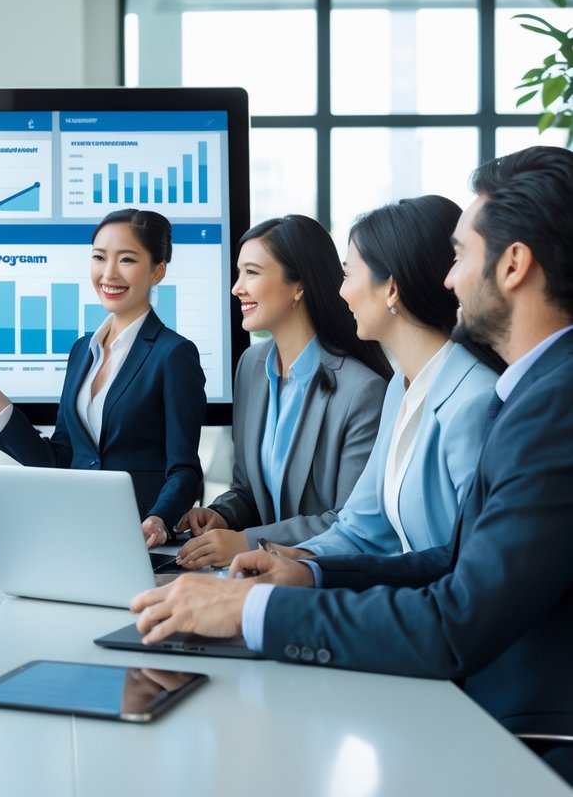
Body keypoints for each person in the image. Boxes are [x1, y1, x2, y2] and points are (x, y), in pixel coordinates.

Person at [131, 146, 573, 785]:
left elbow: (456, 620)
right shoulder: (529, 391)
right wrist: (308, 575)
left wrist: (251, 613)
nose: (449, 280)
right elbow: (454, 559)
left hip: (506, 725)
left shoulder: (550, 404)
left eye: (461, 256)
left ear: (513, 265)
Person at [177, 197, 504, 569]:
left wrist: (280, 562)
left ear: (391, 289)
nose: (340, 290)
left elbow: (473, 569)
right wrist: (295, 565)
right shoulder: (402, 387)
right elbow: (360, 525)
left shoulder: (474, 402)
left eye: (348, 274)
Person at [0, 209, 206, 546]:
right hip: (74, 534)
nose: (108, 273)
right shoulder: (83, 352)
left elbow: (184, 469)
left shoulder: (173, 354)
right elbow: (60, 460)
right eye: (99, 257)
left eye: (126, 260)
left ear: (157, 271)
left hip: (139, 541)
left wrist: (160, 519)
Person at [173, 215, 392, 550]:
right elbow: (248, 490)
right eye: (238, 272)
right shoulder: (251, 366)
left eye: (252, 272)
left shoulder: (361, 391)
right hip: (258, 573)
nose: (237, 287)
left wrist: (246, 541)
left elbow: (347, 521)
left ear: (299, 285)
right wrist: (223, 515)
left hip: (320, 580)